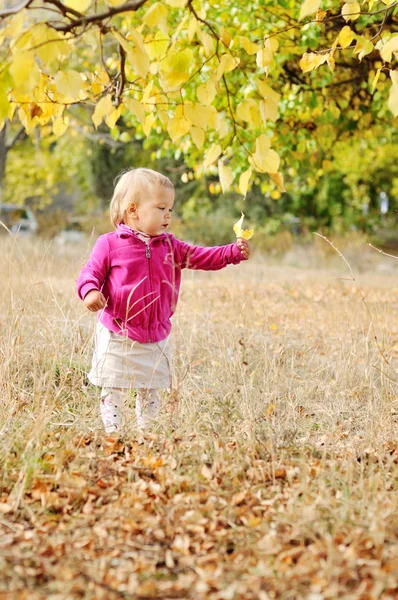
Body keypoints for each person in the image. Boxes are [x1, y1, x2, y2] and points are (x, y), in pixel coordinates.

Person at [77, 167, 251, 434]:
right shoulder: (109, 244)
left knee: (151, 389)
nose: (168, 214)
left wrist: (231, 252)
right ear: (133, 210)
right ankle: (115, 433)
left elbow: (201, 256)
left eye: (170, 208)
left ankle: (149, 434)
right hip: (118, 331)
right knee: (113, 385)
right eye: (161, 208)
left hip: (155, 334)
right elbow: (90, 272)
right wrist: (90, 291)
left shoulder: (170, 246)